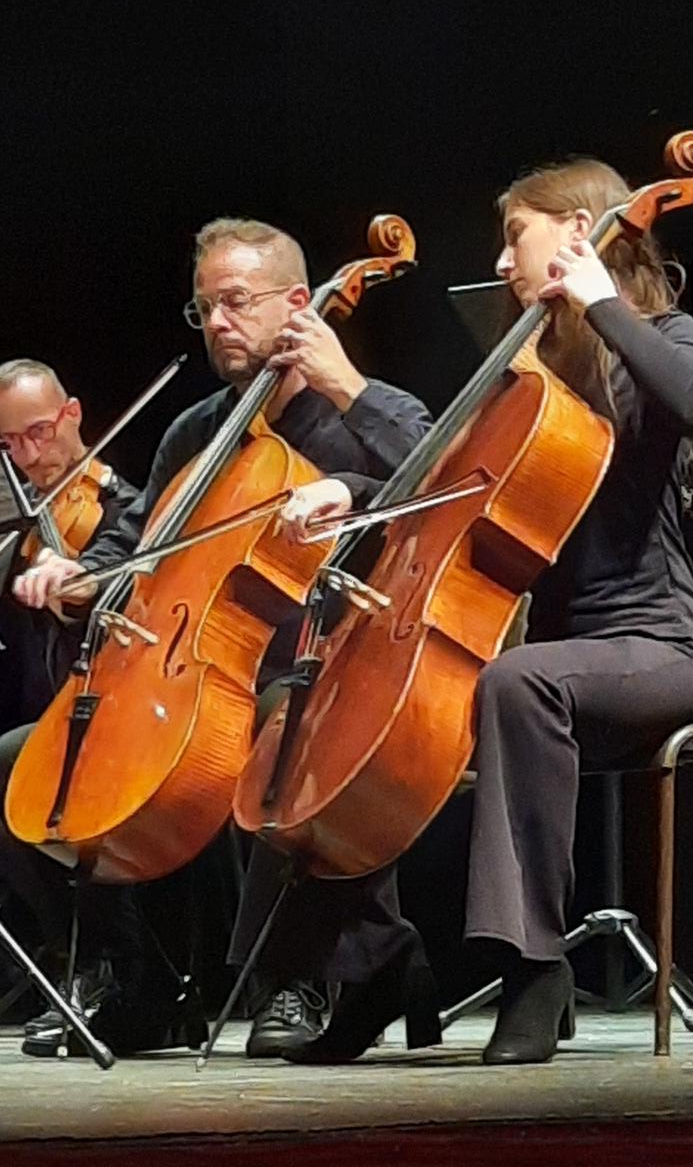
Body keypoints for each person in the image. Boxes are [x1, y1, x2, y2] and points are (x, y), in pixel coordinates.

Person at [273, 158, 693, 1066]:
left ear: (573, 230)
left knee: (519, 681)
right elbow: (450, 487)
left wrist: (601, 300)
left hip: (656, 648)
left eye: (516, 236)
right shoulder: (527, 370)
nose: (503, 260)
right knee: (332, 721)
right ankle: (379, 963)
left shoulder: (659, 335)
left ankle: (534, 968)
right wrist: (354, 493)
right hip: (551, 670)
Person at [6, 217, 431, 1054]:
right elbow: (132, 547)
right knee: (33, 760)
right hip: (195, 664)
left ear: (300, 305)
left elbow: (441, 468)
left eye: (237, 301)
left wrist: (346, 401)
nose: (219, 324)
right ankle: (148, 982)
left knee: (290, 727)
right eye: (206, 309)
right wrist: (79, 578)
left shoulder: (361, 410)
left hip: (330, 665)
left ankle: (308, 976)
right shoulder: (195, 433)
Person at [0, 361, 142, 1048]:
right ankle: (77, 965)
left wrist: (79, 576)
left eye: (38, 434)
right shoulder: (22, 526)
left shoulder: (125, 507)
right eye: (10, 446)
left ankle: (115, 967)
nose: (30, 458)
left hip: (132, 708)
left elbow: (130, 566)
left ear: (74, 414)